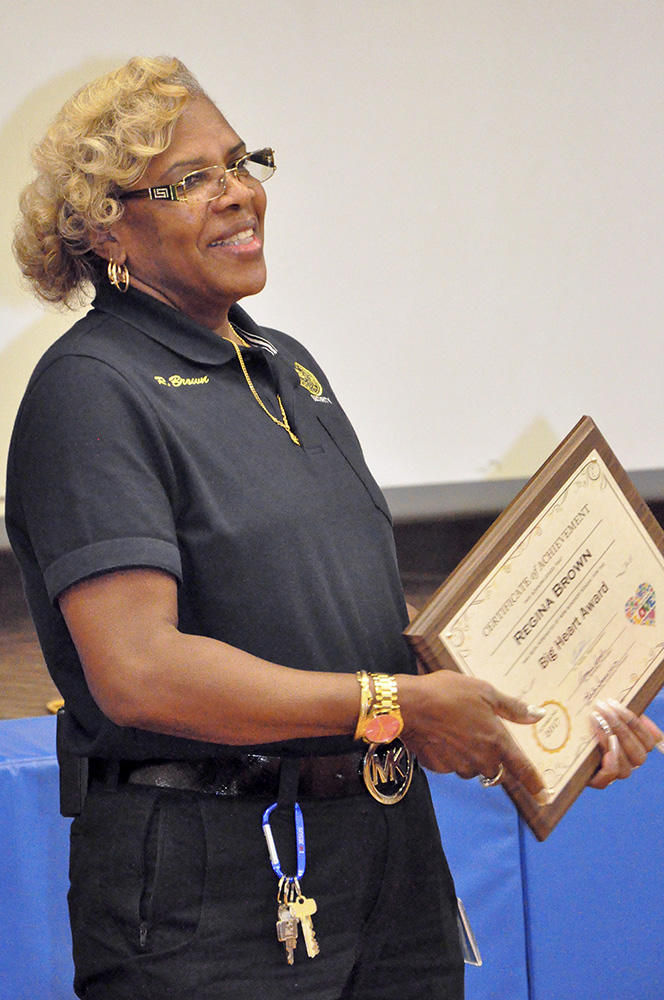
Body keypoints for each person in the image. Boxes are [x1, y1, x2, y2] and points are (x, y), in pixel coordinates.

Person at [6, 56, 661, 1000]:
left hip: (387, 859)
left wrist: (545, 717)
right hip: (212, 890)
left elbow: (346, 632)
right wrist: (395, 706)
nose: (238, 195)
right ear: (110, 226)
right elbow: (139, 670)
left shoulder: (290, 367)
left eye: (242, 162)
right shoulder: (91, 390)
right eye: (192, 181)